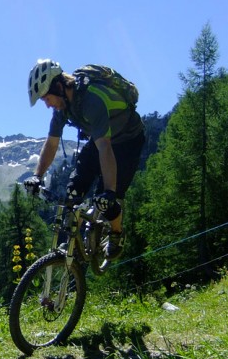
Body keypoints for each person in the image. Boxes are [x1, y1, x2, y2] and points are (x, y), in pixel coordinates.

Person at [23, 59, 145, 260]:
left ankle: (116, 234)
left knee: (107, 200)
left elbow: (105, 147)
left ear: (59, 86)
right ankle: (72, 239)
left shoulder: (92, 100)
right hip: (99, 140)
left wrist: (109, 191)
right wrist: (37, 176)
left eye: (46, 98)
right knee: (73, 190)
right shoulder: (61, 108)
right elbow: (52, 143)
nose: (47, 105)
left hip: (126, 141)